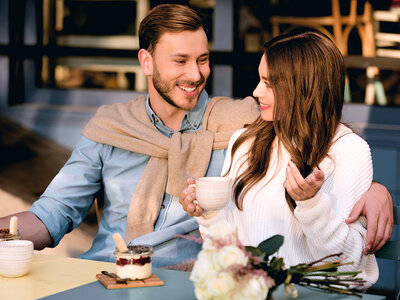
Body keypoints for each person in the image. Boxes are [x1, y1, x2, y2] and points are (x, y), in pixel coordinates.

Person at [0, 4, 392, 267]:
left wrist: (374, 188)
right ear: (146, 62)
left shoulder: (244, 123)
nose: (195, 74)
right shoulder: (110, 127)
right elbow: (53, 213)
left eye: (203, 59)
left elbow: (311, 136)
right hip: (110, 273)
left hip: (195, 281)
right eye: (181, 61)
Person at [180, 31, 379, 287]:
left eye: (269, 83)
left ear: (304, 88)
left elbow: (347, 265)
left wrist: (311, 205)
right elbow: (227, 249)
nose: (255, 91)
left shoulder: (349, 150)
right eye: (260, 79)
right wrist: (207, 213)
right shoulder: (245, 142)